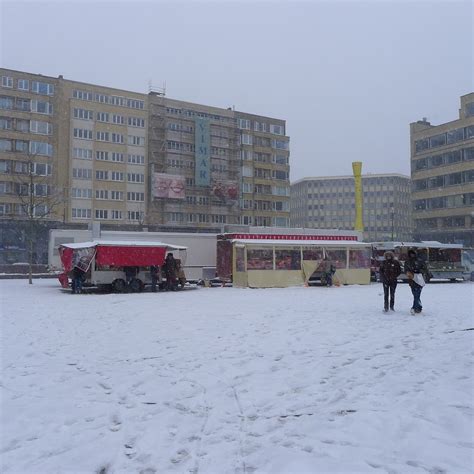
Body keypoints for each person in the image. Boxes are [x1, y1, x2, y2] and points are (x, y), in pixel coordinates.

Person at [404, 249, 432, 314]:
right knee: (415, 294)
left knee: (417, 294)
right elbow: (405, 270)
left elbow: (425, 269)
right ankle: (419, 307)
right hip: (411, 279)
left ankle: (414, 307)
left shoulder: (420, 261)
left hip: (419, 279)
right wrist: (409, 273)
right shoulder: (407, 261)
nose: (412, 255)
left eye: (413, 253)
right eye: (410, 254)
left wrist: (419, 271)